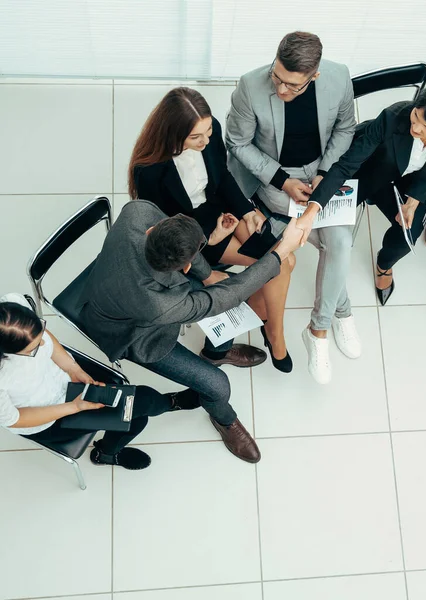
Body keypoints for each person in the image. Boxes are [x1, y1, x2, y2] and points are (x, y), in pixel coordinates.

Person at [79, 200, 303, 463]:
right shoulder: (161, 304)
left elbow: (209, 283)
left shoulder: (135, 212)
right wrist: (279, 253)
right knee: (218, 385)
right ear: (184, 268)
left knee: (221, 290)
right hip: (132, 335)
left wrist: (208, 272)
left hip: (116, 278)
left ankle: (216, 352)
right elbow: (224, 298)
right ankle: (224, 419)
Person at [226, 31, 360, 385]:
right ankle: (341, 311)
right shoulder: (249, 86)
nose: (282, 90)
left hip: (322, 173)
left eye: (293, 86)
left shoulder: (339, 76)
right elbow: (237, 142)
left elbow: (347, 128)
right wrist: (282, 180)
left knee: (341, 244)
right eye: (278, 78)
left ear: (314, 75)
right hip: (274, 180)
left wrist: (325, 174)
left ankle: (319, 329)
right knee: (319, 248)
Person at [129, 88, 295, 372]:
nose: (207, 141)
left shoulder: (210, 129)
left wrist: (247, 212)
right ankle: (269, 328)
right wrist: (208, 240)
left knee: (286, 260)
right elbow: (167, 237)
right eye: (196, 137)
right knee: (277, 265)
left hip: (223, 210)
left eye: (208, 131)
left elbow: (224, 177)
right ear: (173, 134)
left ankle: (268, 326)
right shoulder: (149, 171)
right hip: (192, 232)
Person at [308, 82, 426, 305]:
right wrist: (314, 206)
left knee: (408, 235)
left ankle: (384, 265)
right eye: (416, 117)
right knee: (324, 218)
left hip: (410, 183)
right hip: (370, 170)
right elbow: (346, 165)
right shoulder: (392, 117)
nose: (417, 129)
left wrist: (413, 201)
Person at [0, 293, 197, 470]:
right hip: (47, 417)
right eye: (33, 349)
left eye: (40, 333)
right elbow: (15, 419)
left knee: (137, 416)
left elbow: (44, 338)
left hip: (62, 377)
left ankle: (107, 452)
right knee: (142, 404)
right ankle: (165, 405)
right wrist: (74, 407)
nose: (42, 343)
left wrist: (72, 368)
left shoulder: (10, 308)